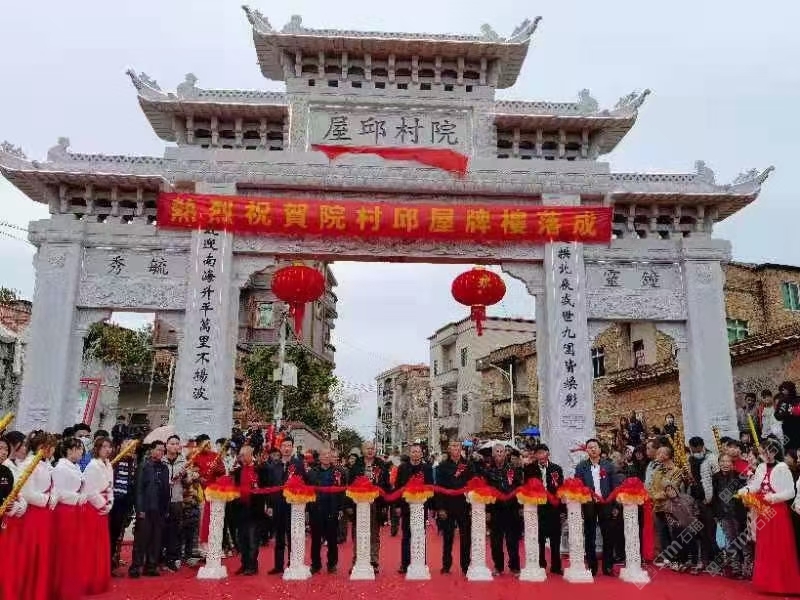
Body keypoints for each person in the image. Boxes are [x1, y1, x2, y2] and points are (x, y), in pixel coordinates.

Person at [741, 438, 800, 594]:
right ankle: (767, 583)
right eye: (761, 452)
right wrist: (746, 490)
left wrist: (774, 497)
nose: (762, 455)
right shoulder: (761, 467)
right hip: (764, 511)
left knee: (780, 546)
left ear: (773, 451)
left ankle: (784, 585)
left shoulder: (783, 468)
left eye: (764, 451)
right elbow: (755, 486)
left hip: (778, 512)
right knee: (765, 547)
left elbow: (791, 492)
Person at [16, 432, 56, 600]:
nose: (53, 450)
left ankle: (38, 591)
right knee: (31, 554)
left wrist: (53, 497)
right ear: (41, 447)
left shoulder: (46, 464)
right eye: (50, 446)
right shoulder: (29, 464)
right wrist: (47, 499)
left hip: (44, 514)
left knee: (42, 554)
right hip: (33, 515)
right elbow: (27, 492)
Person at [574, 438, 619, 576]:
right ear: (586, 450)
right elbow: (578, 487)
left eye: (595, 447)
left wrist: (615, 505)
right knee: (590, 535)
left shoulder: (609, 466)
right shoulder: (581, 466)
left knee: (608, 535)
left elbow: (615, 487)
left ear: (600, 449)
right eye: (590, 447)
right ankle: (592, 567)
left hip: (606, 503)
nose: (592, 449)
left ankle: (608, 566)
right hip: (589, 504)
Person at [51, 437, 88, 600]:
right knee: (65, 549)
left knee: (74, 549)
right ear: (70, 450)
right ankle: (61, 586)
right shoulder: (60, 468)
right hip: (65, 511)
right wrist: (78, 497)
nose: (81, 452)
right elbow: (59, 492)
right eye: (79, 449)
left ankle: (71, 584)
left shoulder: (76, 467)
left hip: (76, 510)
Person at [346, 440, 390, 573]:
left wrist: (385, 505)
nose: (370, 451)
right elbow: (349, 485)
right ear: (362, 450)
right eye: (367, 448)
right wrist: (349, 504)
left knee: (374, 533)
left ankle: (373, 561)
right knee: (358, 532)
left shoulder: (381, 464)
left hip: (376, 502)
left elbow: (386, 485)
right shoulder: (356, 465)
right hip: (359, 503)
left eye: (372, 448)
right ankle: (357, 560)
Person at [264, 436, 306, 574]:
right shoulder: (274, 466)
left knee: (292, 535)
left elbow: (304, 484)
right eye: (284, 446)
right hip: (278, 505)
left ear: (292, 448)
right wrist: (269, 505)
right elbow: (270, 487)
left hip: (293, 506)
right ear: (280, 448)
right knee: (279, 537)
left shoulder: (298, 465)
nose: (287, 448)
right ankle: (278, 566)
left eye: (289, 446)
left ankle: (292, 563)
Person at [129, 440, 170, 578]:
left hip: (160, 508)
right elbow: (138, 489)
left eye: (163, 450)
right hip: (146, 508)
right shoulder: (144, 466)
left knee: (156, 539)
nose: (161, 452)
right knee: (141, 539)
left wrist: (166, 508)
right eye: (158, 449)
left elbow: (166, 489)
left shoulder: (164, 468)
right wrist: (139, 508)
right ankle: (136, 567)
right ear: (151, 450)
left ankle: (151, 566)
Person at [523, 443, 564, 575]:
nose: (540, 455)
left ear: (548, 454)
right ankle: (540, 564)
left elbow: (561, 489)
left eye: (543, 452)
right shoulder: (529, 469)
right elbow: (526, 487)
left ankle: (556, 566)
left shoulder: (556, 469)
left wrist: (562, 510)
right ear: (535, 455)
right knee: (539, 537)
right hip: (537, 507)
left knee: (555, 538)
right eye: (538, 453)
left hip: (553, 507)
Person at [483, 443, 523, 575]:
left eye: (502, 451)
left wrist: (520, 507)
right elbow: (485, 492)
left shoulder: (514, 469)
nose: (499, 454)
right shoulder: (488, 471)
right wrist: (487, 511)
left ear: (505, 454)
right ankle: (498, 566)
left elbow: (520, 488)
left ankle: (514, 566)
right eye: (497, 451)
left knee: (512, 541)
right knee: (496, 542)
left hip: (512, 509)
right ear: (493, 454)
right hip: (495, 509)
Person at [435, 440, 474, 575]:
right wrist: (440, 508)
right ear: (449, 449)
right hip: (447, 506)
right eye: (453, 446)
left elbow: (473, 485)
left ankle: (466, 565)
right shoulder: (442, 466)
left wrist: (472, 506)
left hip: (464, 505)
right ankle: (446, 565)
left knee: (466, 538)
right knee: (448, 537)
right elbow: (438, 488)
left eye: (457, 445)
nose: (455, 448)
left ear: (461, 448)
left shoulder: (468, 465)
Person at [395, 442, 434, 574]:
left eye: (418, 452)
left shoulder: (427, 468)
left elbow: (431, 486)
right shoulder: (402, 468)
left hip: (421, 507)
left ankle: (421, 561)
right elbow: (398, 487)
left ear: (421, 454)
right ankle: (405, 564)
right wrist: (397, 505)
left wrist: (431, 506)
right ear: (410, 453)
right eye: (413, 452)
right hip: (406, 507)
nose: (416, 454)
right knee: (406, 536)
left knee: (420, 534)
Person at [82, 435, 115, 594]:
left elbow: (110, 487)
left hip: (104, 507)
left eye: (109, 447)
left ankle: (100, 579)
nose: (107, 450)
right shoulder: (92, 466)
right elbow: (89, 491)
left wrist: (110, 502)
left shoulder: (108, 465)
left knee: (102, 544)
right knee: (92, 544)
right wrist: (102, 504)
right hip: (93, 509)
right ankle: (89, 579)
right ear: (97, 449)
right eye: (104, 447)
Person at [307, 444, 346, 574]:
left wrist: (341, 508)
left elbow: (343, 492)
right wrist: (307, 509)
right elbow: (307, 491)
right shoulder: (312, 473)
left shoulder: (339, 472)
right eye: (324, 454)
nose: (326, 456)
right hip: (316, 509)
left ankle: (332, 564)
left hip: (332, 509)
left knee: (332, 539)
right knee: (316, 539)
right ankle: (316, 564)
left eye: (328, 454)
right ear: (319, 457)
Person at [231, 444, 268, 575]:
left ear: (249, 455)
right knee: (242, 539)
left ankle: (252, 565)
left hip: (255, 509)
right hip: (240, 508)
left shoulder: (260, 469)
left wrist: (267, 505)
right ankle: (244, 563)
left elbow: (266, 488)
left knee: (253, 538)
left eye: (243, 455)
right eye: (240, 455)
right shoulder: (237, 471)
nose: (240, 458)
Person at [687, 436, 718, 571]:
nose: (693, 451)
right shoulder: (690, 459)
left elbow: (716, 481)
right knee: (699, 532)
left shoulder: (711, 458)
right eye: (691, 449)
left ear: (700, 446)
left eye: (694, 448)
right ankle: (702, 560)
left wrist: (710, 498)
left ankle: (714, 560)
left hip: (709, 501)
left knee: (710, 531)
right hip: (696, 500)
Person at [163, 434, 187, 571]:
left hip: (177, 499)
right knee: (161, 528)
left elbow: (188, 483)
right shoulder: (161, 460)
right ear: (166, 445)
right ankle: (158, 556)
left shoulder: (184, 461)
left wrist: (185, 476)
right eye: (172, 443)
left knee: (175, 529)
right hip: (162, 500)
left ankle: (172, 558)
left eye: (177, 444)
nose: (174, 446)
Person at [775, 381, 800, 450]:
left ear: (789, 389)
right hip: (786, 430)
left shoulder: (798, 400)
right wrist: (786, 413)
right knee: (787, 449)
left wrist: (795, 411)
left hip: (797, 429)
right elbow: (777, 416)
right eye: (781, 390)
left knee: (797, 449)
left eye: (784, 389)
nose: (782, 391)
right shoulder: (782, 401)